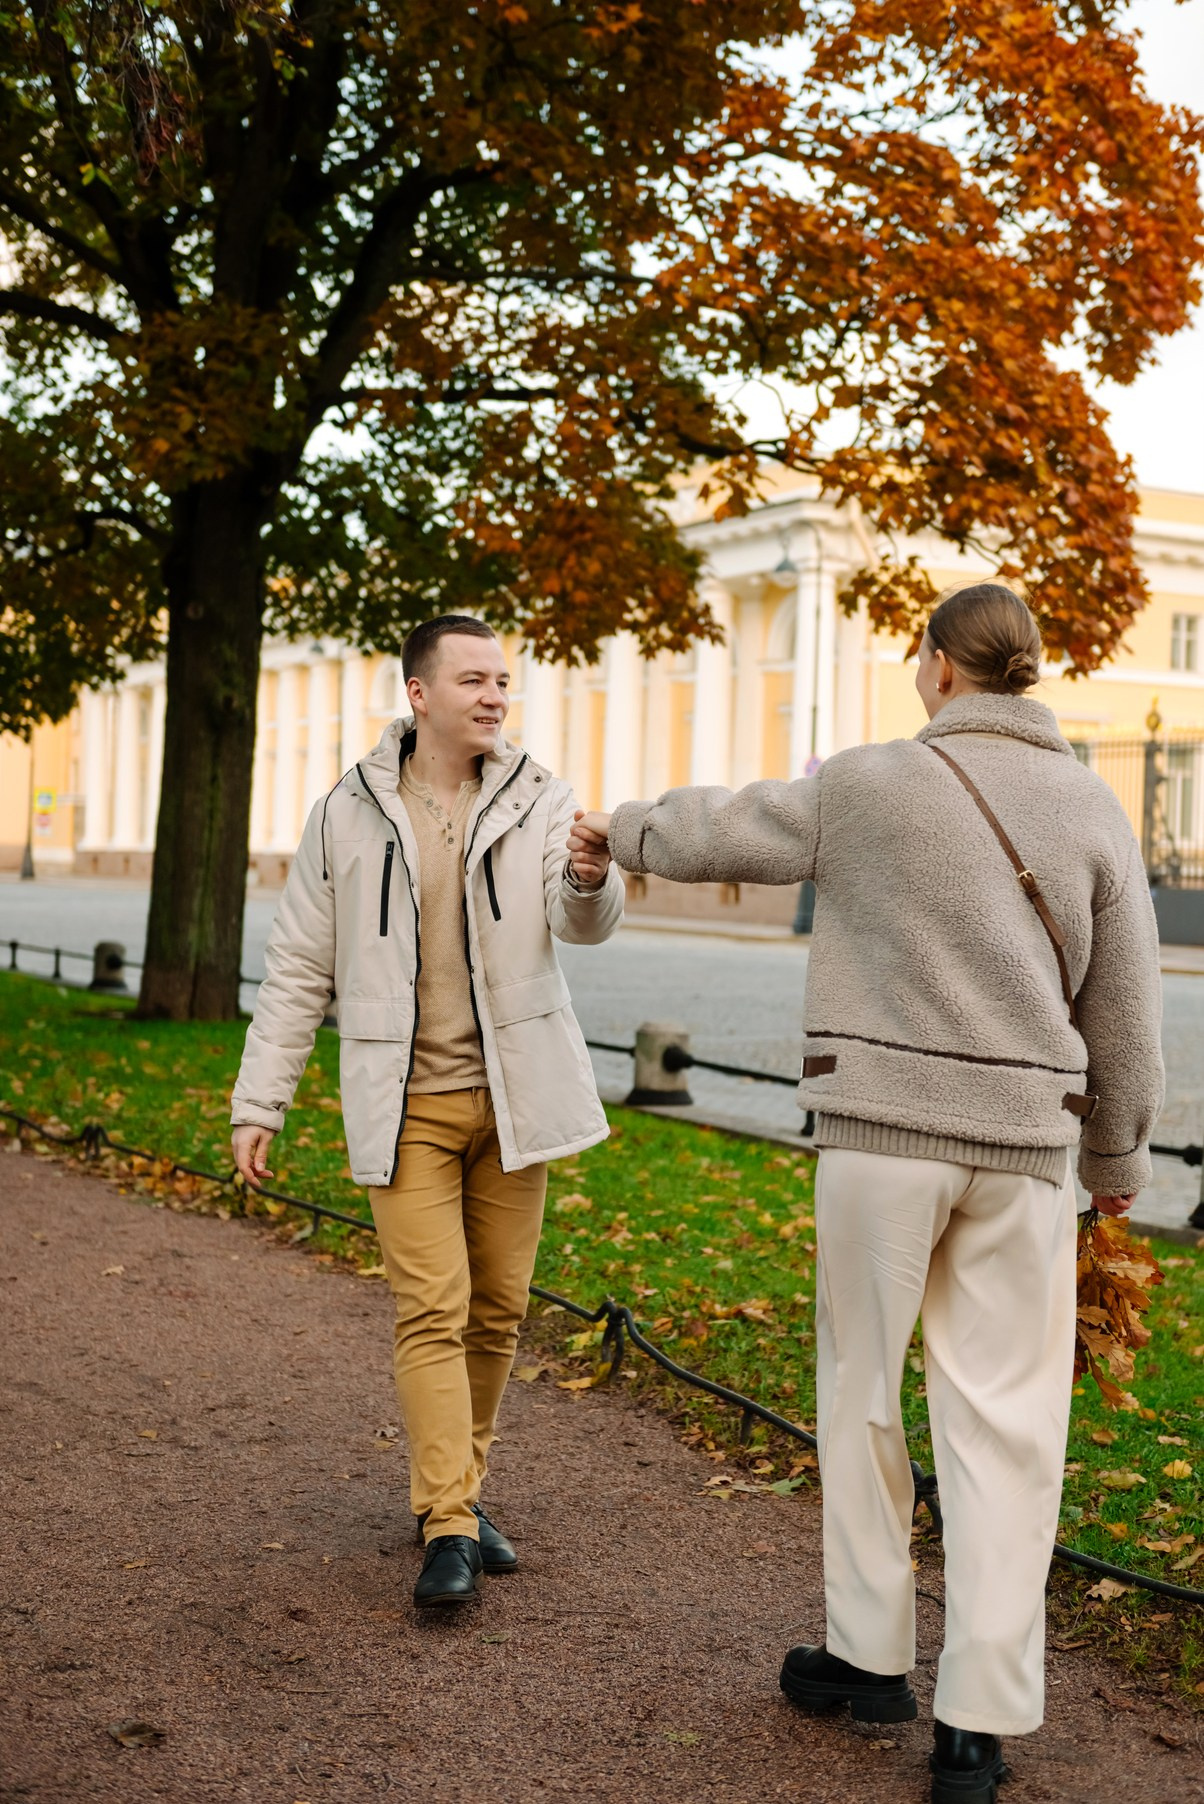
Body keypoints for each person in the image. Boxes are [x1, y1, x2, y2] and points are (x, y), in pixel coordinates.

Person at [569, 582, 1163, 1804]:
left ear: (940, 664)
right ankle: (975, 1725)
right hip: (1022, 1147)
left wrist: (620, 830)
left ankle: (867, 1651)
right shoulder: (1093, 804)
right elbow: (1128, 1017)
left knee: (860, 1392)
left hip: (881, 1134)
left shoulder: (869, 781)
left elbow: (728, 828)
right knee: (1007, 1428)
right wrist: (1114, 1168)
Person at [232, 616, 623, 1608]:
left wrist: (591, 879)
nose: (495, 696)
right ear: (418, 693)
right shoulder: (347, 811)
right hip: (405, 1104)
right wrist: (260, 1100)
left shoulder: (540, 797)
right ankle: (448, 1521)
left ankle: (458, 1488)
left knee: (498, 1311)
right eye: (473, 679)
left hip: (516, 1101)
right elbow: (297, 967)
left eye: (503, 680)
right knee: (433, 1306)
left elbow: (580, 920)